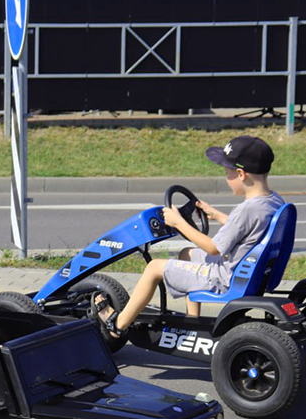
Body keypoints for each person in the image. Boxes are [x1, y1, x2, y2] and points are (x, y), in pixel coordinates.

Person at [97, 135, 286, 335]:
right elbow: (247, 228)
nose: (226, 177)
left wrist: (178, 222)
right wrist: (216, 215)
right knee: (186, 254)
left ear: (241, 174)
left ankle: (116, 326)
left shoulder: (246, 209)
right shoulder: (272, 201)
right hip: (249, 272)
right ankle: (193, 323)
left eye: (227, 173)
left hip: (225, 278)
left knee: (154, 268)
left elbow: (213, 248)